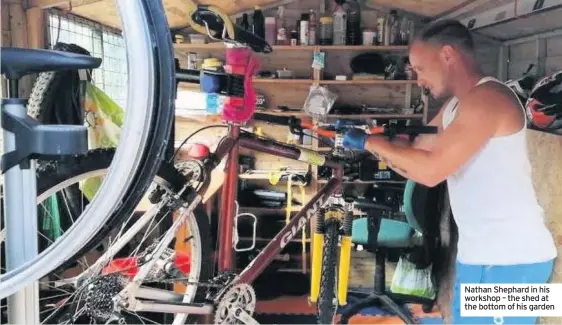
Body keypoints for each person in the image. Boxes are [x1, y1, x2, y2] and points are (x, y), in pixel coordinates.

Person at [342, 19, 557, 324]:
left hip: (514, 261)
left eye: (420, 69)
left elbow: (431, 172)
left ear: (446, 55)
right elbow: (417, 157)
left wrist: (370, 141)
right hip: (480, 257)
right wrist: (383, 142)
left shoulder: (489, 99)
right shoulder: (457, 106)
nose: (419, 80)